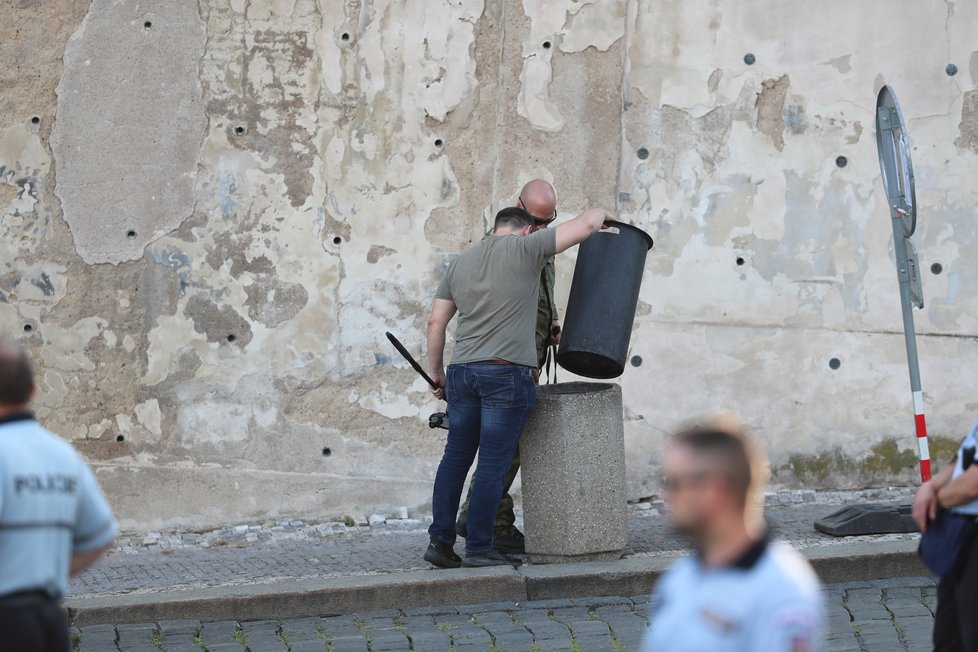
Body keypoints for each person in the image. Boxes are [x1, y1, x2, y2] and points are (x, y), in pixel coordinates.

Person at [424, 205, 610, 568]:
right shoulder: (527, 248)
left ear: (495, 228)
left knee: (454, 460)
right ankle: (479, 548)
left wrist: (436, 374)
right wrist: (605, 213)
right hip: (505, 375)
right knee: (493, 462)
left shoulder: (460, 263)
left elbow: (436, 323)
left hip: (462, 372)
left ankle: (440, 543)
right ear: (526, 231)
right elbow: (588, 223)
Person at [642, 419, 824, 651]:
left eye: (674, 483)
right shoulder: (682, 575)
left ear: (714, 489)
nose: (665, 496)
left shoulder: (779, 589)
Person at [455, 179, 561, 555]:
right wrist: (526, 358)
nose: (542, 230)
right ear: (519, 208)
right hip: (508, 361)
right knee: (501, 449)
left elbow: (537, 295)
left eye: (548, 223)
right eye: (536, 221)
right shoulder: (503, 246)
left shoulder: (535, 239)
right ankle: (484, 523)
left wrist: (551, 323)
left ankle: (486, 522)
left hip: (523, 353)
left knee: (504, 447)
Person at [0, 340, 117, 651]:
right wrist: (46, 569)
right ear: (32, 390)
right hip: (49, 622)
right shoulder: (64, 455)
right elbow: (102, 534)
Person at [912, 420, 978, 651]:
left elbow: (972, 485)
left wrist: (936, 501)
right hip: (964, 542)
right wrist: (930, 487)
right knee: (949, 638)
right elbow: (966, 457)